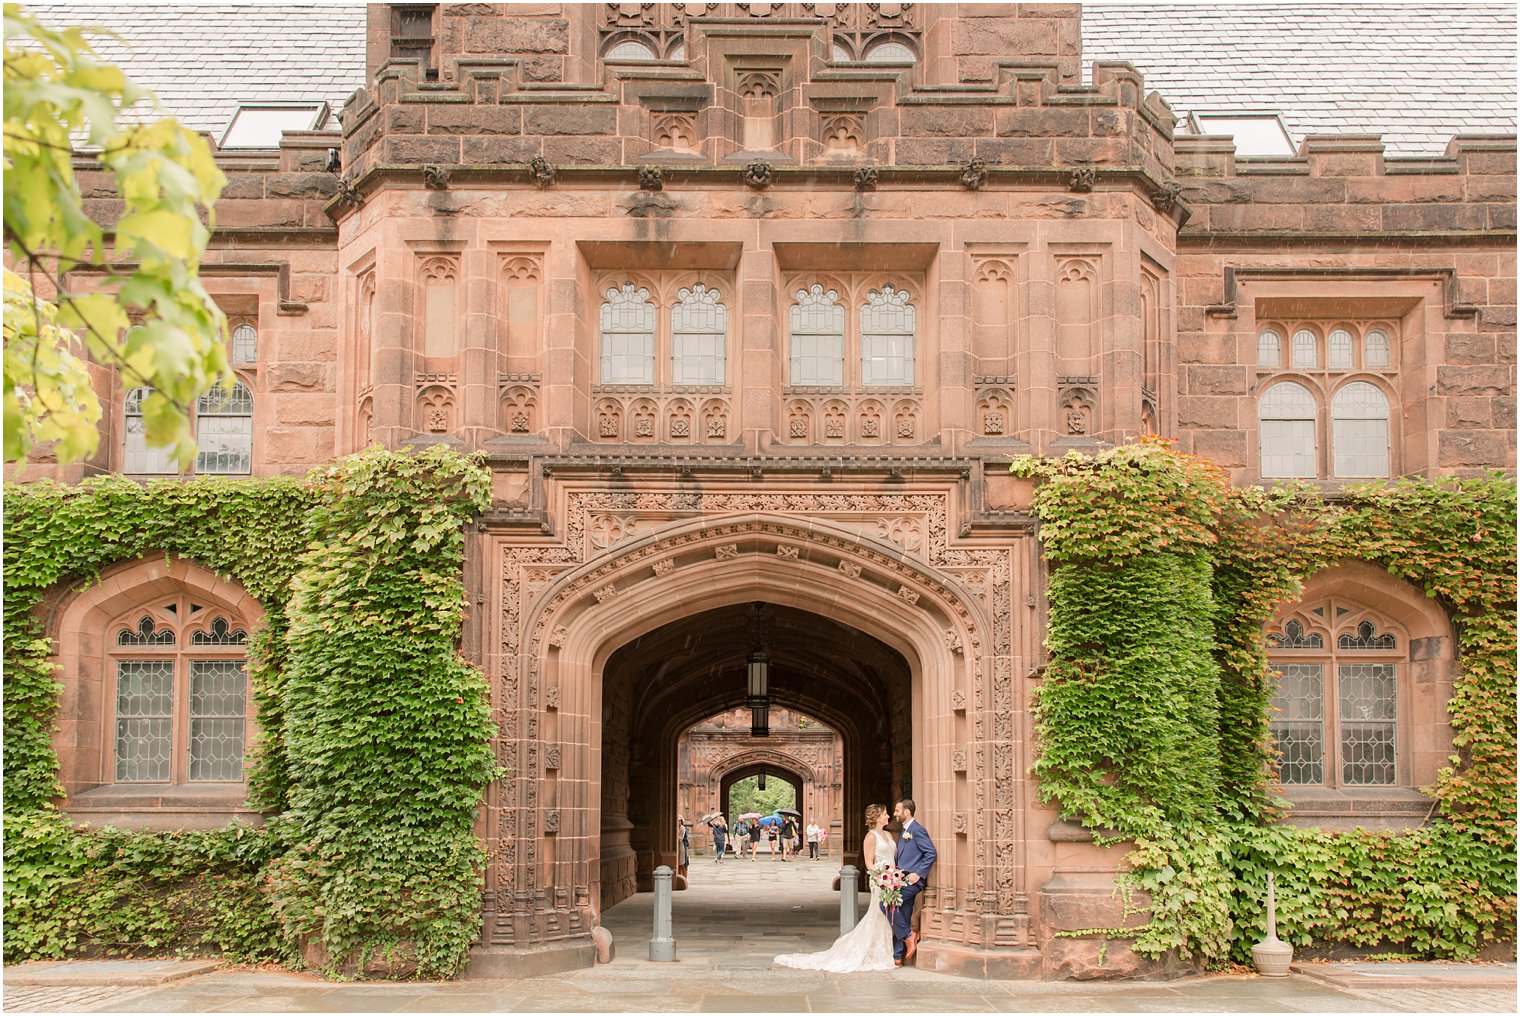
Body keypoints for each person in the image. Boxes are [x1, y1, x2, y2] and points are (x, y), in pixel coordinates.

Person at [773, 804, 896, 972]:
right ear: (876, 817)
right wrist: (882, 877)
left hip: (893, 877)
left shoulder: (889, 834)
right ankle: (877, 948)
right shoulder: (871, 836)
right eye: (885, 813)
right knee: (879, 912)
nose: (888, 816)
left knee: (889, 913)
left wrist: (895, 876)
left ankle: (888, 947)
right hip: (881, 880)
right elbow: (869, 862)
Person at [890, 798, 936, 967]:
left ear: (906, 812)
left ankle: (909, 936)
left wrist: (919, 873)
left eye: (897, 810)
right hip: (900, 879)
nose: (895, 814)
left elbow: (931, 853)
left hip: (911, 881)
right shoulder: (904, 830)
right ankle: (898, 955)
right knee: (900, 912)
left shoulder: (917, 830)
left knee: (887, 905)